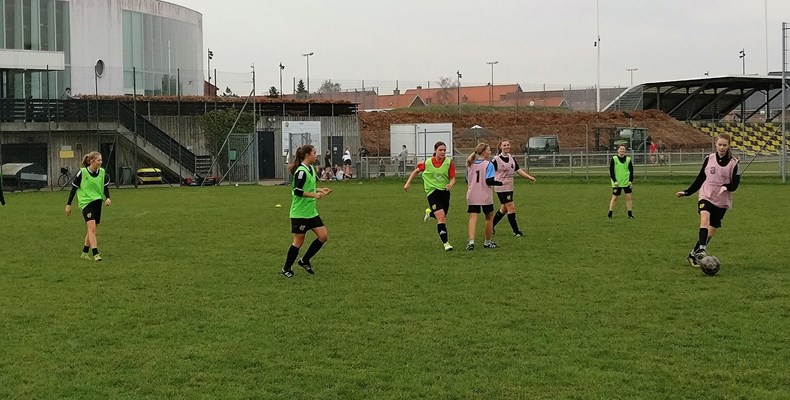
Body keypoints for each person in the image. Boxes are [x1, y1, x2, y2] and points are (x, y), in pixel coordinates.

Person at [676, 133, 740, 266]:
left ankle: (693, 254)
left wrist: (726, 187)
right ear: (715, 144)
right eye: (719, 144)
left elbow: (735, 184)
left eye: (724, 145)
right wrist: (687, 192)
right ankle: (702, 249)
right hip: (706, 195)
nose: (722, 147)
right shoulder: (709, 159)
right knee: (704, 219)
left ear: (729, 146)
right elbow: (700, 178)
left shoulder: (734, 163)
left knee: (712, 229)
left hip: (722, 201)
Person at [281, 144, 332, 278]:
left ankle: (304, 260)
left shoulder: (311, 169)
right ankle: (286, 268)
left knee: (323, 236)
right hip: (300, 213)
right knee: (299, 240)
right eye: (314, 153)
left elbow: (308, 187)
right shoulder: (301, 171)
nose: (316, 155)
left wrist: (320, 190)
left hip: (311, 212)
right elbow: (297, 191)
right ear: (307, 155)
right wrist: (314, 195)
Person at [403, 141, 456, 251]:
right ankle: (446, 243)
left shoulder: (448, 163)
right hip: (432, 192)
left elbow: (452, 178)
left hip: (444, 192)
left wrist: (451, 184)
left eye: (444, 150)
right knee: (441, 218)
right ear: (435, 151)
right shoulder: (427, 163)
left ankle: (429, 213)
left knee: (442, 215)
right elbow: (416, 171)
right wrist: (408, 183)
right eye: (440, 150)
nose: (443, 152)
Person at [65, 151, 112, 261]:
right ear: (92, 161)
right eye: (99, 160)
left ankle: (84, 253)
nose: (101, 162)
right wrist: (68, 204)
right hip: (86, 203)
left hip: (97, 202)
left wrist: (108, 198)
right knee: (92, 228)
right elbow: (73, 189)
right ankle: (96, 253)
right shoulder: (82, 172)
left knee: (92, 229)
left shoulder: (102, 172)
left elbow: (105, 187)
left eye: (101, 160)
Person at [491, 139, 537, 236]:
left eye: (508, 145)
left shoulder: (511, 158)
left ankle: (490, 226)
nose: (507, 147)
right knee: (511, 207)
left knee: (504, 209)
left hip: (509, 187)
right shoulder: (496, 159)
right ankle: (516, 232)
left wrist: (528, 177)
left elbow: (518, 170)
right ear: (500, 147)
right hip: (501, 187)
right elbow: (489, 171)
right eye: (504, 145)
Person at [465, 143, 502, 250]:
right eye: (489, 150)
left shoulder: (470, 164)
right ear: (484, 152)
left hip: (472, 194)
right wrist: (499, 183)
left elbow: (467, 180)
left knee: (472, 218)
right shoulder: (488, 164)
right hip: (485, 195)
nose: (490, 152)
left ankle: (471, 242)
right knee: (489, 218)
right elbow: (489, 181)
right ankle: (487, 242)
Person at [608, 144, 634, 219]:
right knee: (615, 198)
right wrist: (614, 181)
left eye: (623, 149)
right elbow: (611, 171)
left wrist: (630, 180)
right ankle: (610, 213)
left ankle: (630, 214)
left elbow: (631, 171)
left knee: (628, 197)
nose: (622, 150)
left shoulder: (628, 159)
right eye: (621, 149)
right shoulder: (614, 159)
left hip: (626, 182)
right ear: (618, 150)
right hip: (617, 183)